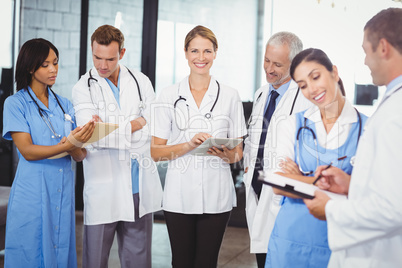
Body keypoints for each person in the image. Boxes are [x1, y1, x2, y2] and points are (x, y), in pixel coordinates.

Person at [304, 8, 402, 267]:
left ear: (383, 47)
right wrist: (351, 184)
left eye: (365, 51)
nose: (365, 62)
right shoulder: (393, 101)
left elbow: (393, 207)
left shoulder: (396, 112)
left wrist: (330, 209)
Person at [150, 25, 246, 268]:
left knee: (206, 262)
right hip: (178, 195)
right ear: (185, 52)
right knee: (181, 262)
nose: (200, 58)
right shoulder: (169, 95)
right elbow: (156, 153)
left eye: (207, 51)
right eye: (194, 51)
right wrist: (189, 144)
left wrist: (226, 155)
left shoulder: (230, 96)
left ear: (215, 53)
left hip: (217, 194)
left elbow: (238, 154)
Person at [263, 47, 368, 267]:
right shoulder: (291, 124)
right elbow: (277, 183)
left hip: (342, 242)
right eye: (302, 85)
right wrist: (322, 181)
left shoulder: (369, 129)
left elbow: (376, 190)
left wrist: (298, 178)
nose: (311, 89)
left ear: (334, 73)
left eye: (316, 77)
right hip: (290, 241)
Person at [72, 25, 163, 268]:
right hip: (104, 185)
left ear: (121, 53)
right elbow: (91, 136)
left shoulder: (140, 80)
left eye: (110, 59)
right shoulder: (83, 88)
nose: (102, 65)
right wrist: (136, 123)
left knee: (138, 258)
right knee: (96, 258)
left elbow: (155, 127)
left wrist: (114, 131)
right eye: (97, 57)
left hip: (138, 184)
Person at [2, 38, 95, 267]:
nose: (53, 69)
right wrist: (67, 146)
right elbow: (27, 150)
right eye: (45, 64)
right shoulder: (16, 103)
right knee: (29, 251)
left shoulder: (65, 105)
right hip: (32, 192)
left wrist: (80, 143)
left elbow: (80, 155)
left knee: (60, 250)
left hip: (62, 191)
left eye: (55, 62)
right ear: (30, 67)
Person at [242, 31, 312, 267]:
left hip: (285, 197)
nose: (269, 69)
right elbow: (255, 142)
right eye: (266, 60)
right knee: (263, 258)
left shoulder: (305, 98)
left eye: (277, 64)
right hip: (258, 189)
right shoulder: (262, 94)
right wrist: (248, 167)